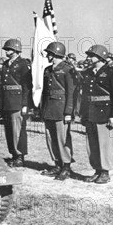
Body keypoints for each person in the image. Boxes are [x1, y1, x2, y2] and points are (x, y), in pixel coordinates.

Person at [80, 45, 113, 184]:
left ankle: (105, 172)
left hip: (105, 113)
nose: (89, 57)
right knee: (92, 144)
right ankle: (97, 170)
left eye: (92, 55)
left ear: (100, 57)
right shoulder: (88, 72)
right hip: (90, 112)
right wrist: (83, 114)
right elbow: (85, 95)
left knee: (104, 144)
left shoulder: (111, 72)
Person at [40, 42, 76, 180]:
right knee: (51, 138)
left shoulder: (68, 69)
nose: (48, 55)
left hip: (61, 110)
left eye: (49, 53)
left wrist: (68, 112)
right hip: (49, 108)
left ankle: (66, 166)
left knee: (62, 138)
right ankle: (57, 164)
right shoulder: (47, 70)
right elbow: (45, 92)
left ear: (55, 54)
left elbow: (71, 93)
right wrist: (42, 110)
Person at [0, 38, 32, 167]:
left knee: (17, 130)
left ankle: (20, 156)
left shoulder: (23, 64)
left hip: (17, 102)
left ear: (16, 50)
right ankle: (13, 153)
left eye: (9, 49)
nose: (6, 51)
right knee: (9, 130)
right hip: (7, 101)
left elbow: (26, 85)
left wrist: (25, 104)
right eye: (6, 49)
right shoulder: (7, 63)